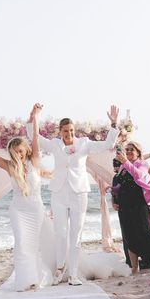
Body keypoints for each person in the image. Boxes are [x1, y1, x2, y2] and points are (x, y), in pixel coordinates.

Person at [29, 104, 120, 286]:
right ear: (60, 132)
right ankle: (60, 268)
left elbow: (108, 144)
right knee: (61, 232)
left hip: (79, 192)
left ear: (74, 130)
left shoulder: (85, 144)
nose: (68, 133)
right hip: (59, 192)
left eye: (71, 130)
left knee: (76, 234)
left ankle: (73, 274)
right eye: (65, 131)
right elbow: (34, 136)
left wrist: (114, 124)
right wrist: (34, 116)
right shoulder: (54, 145)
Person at [0, 105, 52, 291]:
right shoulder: (9, 166)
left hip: (36, 209)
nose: (19, 155)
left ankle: (35, 278)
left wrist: (34, 116)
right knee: (22, 243)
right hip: (18, 210)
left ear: (26, 151)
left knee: (33, 245)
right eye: (15, 152)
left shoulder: (35, 162)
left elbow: (36, 137)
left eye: (21, 151)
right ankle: (24, 280)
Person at [113, 142, 150, 274]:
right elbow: (118, 185)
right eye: (127, 149)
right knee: (129, 237)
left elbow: (138, 176)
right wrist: (114, 199)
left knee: (144, 235)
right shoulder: (122, 167)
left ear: (138, 152)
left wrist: (126, 162)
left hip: (138, 205)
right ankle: (134, 268)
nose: (129, 151)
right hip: (124, 206)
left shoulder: (142, 164)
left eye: (132, 150)